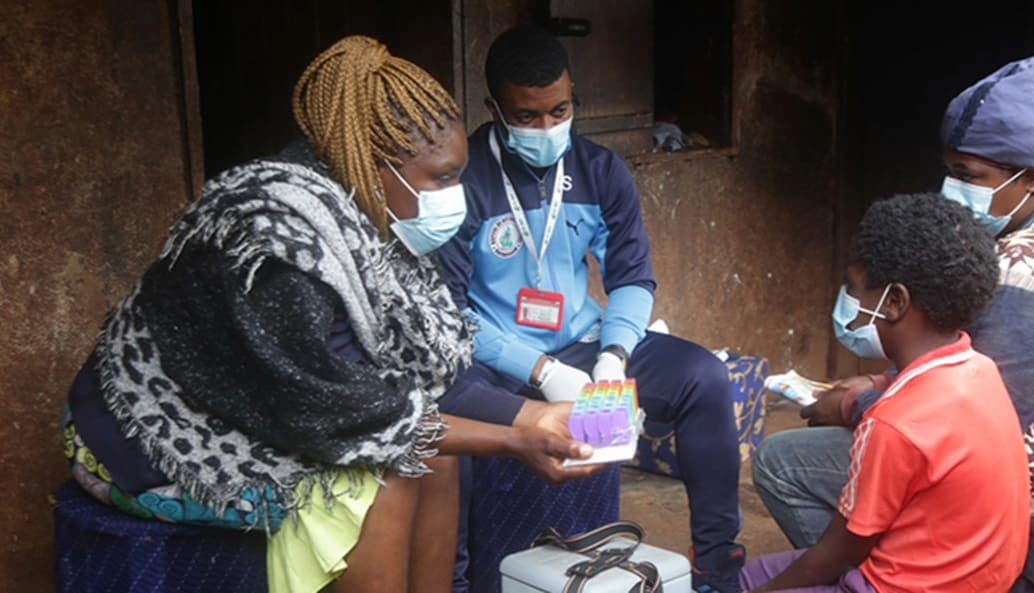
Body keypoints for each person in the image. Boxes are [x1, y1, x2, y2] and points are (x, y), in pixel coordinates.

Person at [60, 36, 600, 593]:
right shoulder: (277, 244)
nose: (454, 194)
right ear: (374, 167)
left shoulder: (377, 213)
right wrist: (517, 439)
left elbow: (416, 378)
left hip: (283, 406)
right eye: (442, 177)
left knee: (435, 457)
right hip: (155, 429)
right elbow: (346, 417)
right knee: (380, 483)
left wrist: (531, 418)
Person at [436, 26, 745, 593]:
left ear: (574, 94)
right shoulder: (464, 178)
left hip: (583, 350)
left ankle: (718, 568)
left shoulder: (600, 170)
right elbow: (448, 316)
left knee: (702, 377)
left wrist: (612, 356)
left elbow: (632, 277)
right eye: (526, 117)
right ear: (494, 108)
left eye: (560, 110)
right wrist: (542, 372)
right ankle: (461, 583)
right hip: (494, 359)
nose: (547, 128)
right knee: (444, 414)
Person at [751, 56, 1034, 593]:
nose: (954, 186)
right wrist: (880, 385)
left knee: (782, 462)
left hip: (1026, 505)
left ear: (1032, 178)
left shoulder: (1026, 273)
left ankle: (870, 574)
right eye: (952, 170)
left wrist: (857, 405)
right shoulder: (981, 332)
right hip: (980, 454)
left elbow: (967, 420)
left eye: (969, 176)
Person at [741, 193, 1029, 592]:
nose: (849, 302)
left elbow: (838, 554)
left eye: (853, 289)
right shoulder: (979, 369)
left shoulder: (891, 423)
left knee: (747, 583)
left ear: (894, 302)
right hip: (981, 579)